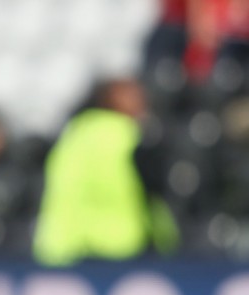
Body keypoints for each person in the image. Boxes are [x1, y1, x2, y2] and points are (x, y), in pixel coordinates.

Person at [32, 77, 179, 267]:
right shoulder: (131, 137)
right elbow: (153, 194)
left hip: (66, 249)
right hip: (122, 247)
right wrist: (166, 240)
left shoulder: (71, 136)